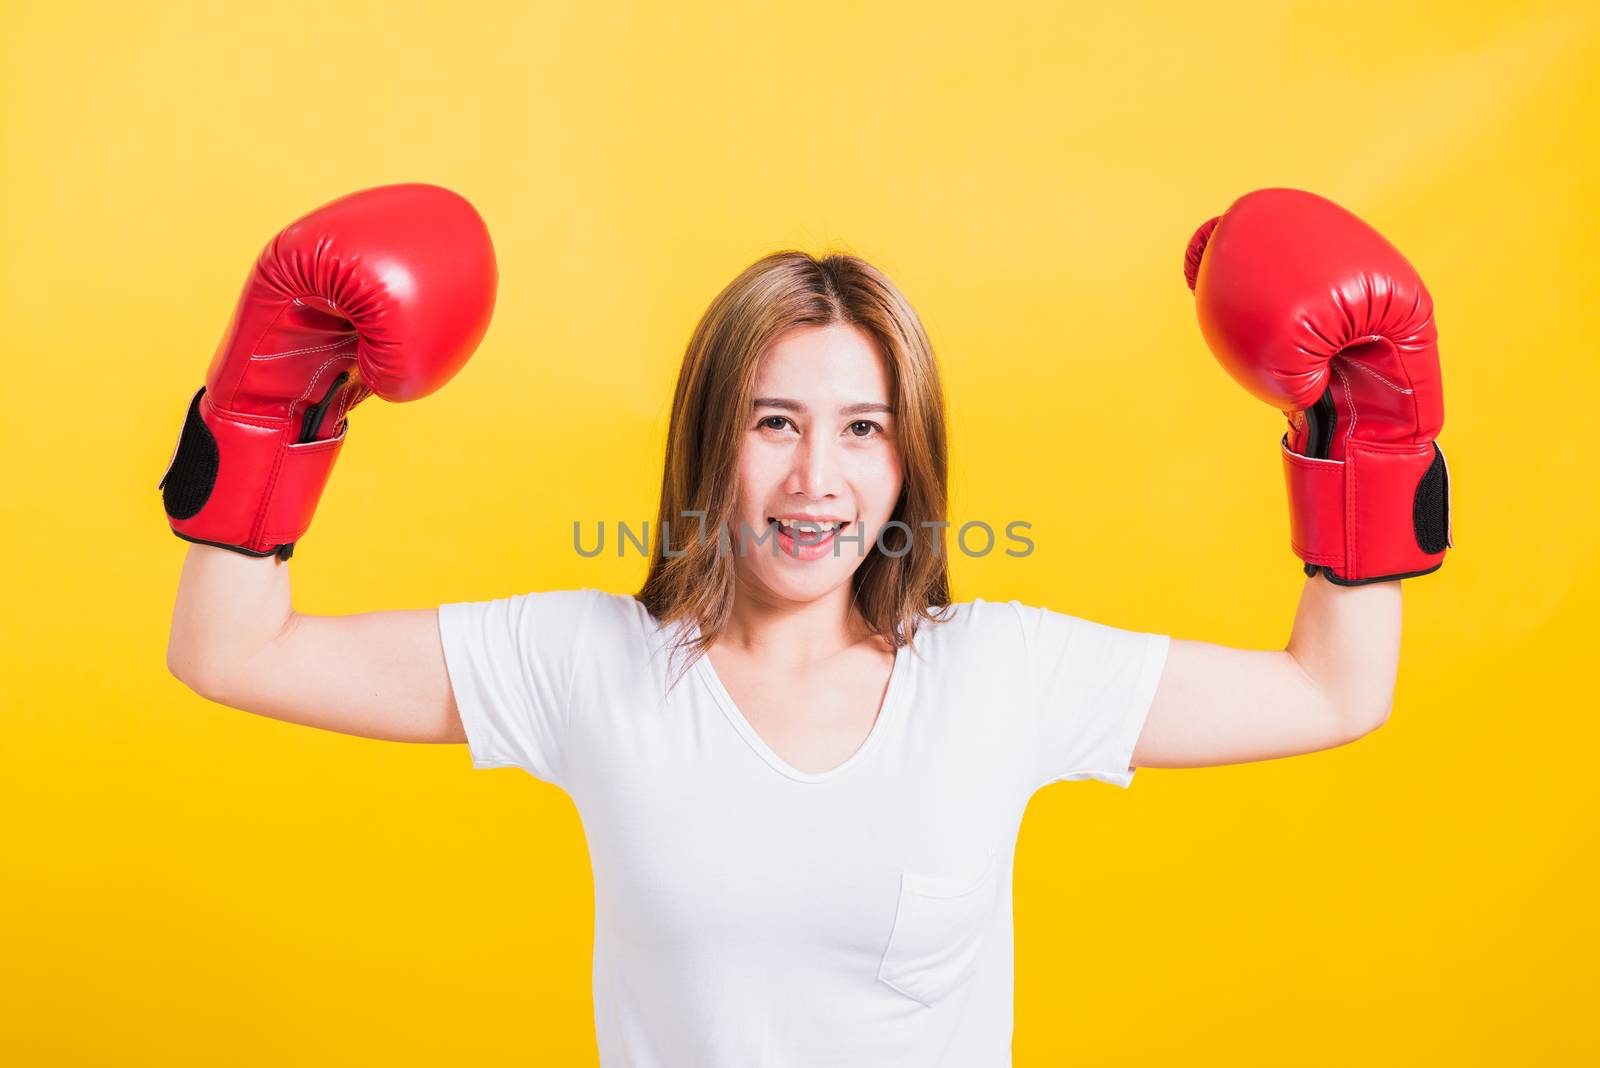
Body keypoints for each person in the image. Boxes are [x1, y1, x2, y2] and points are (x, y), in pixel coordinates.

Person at [164, 184, 1449, 1067]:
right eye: (774, 422)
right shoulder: (589, 667)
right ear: (711, 440)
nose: (814, 482)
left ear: (908, 463)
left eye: (862, 429)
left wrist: (1364, 444)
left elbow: (1332, 693)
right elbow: (233, 651)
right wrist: (270, 404)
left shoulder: (999, 673)